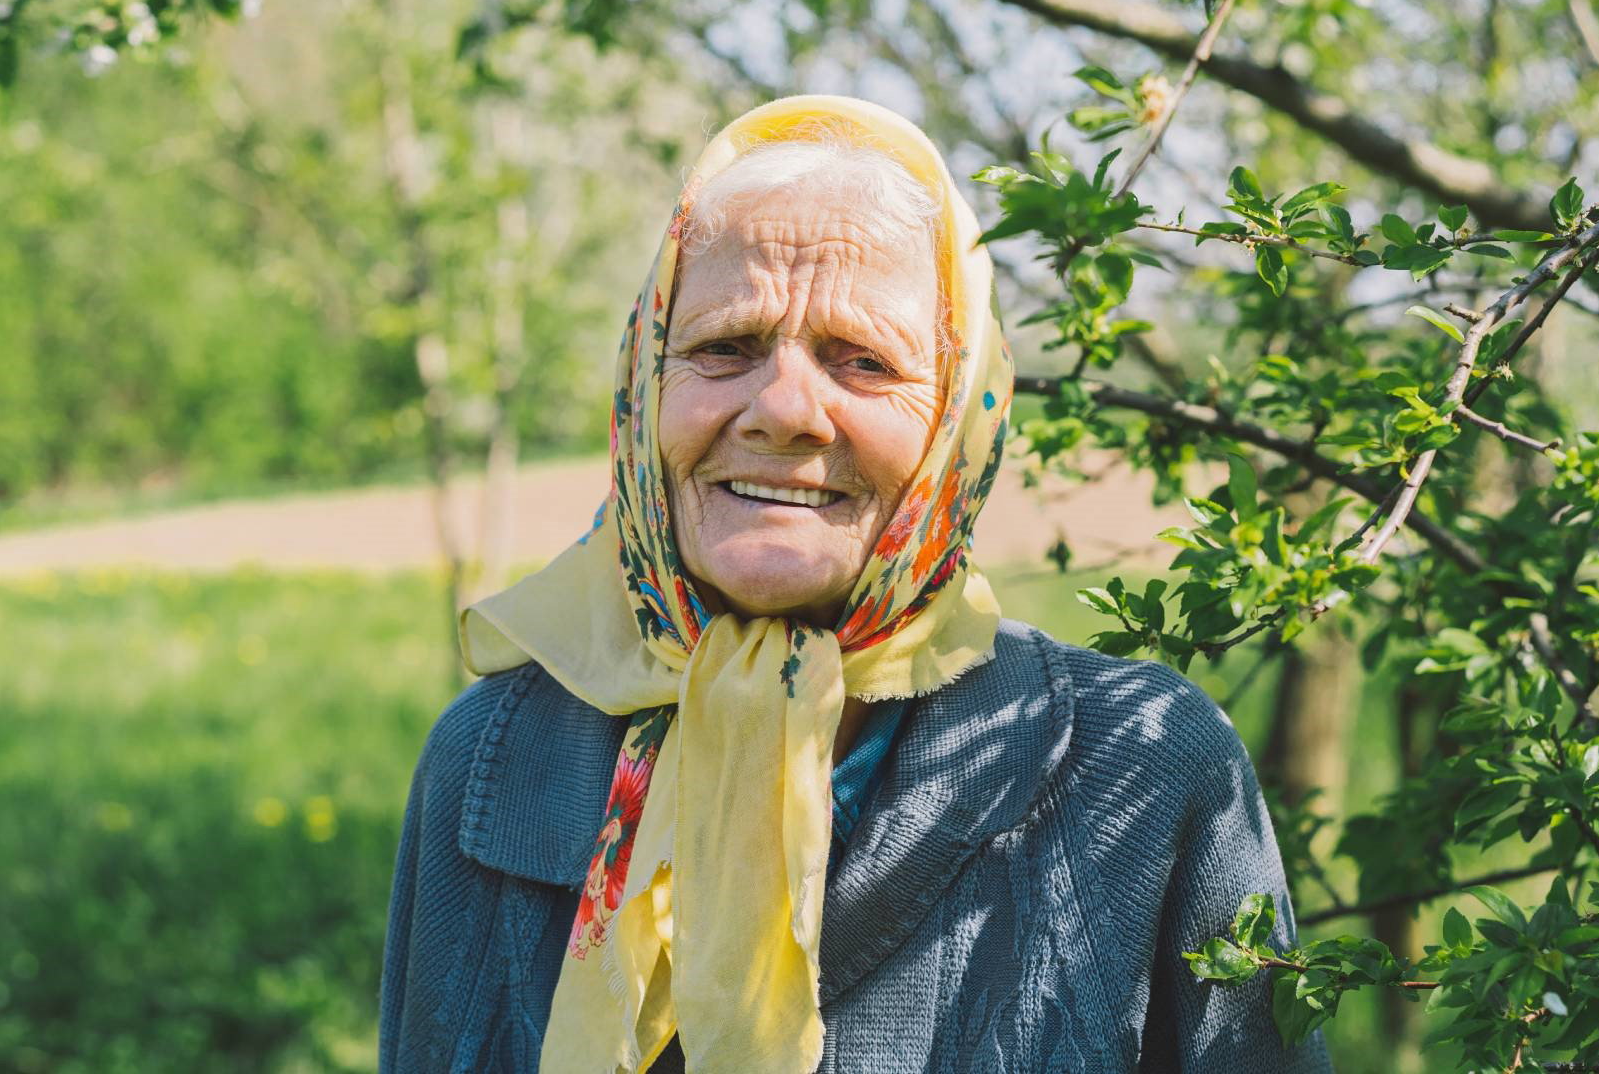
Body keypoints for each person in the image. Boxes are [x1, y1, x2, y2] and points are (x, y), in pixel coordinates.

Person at [377, 94, 1331, 1074]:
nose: (785, 409)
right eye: (723, 348)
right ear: (641, 389)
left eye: (863, 361)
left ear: (959, 418)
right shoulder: (497, 752)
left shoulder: (1147, 760)